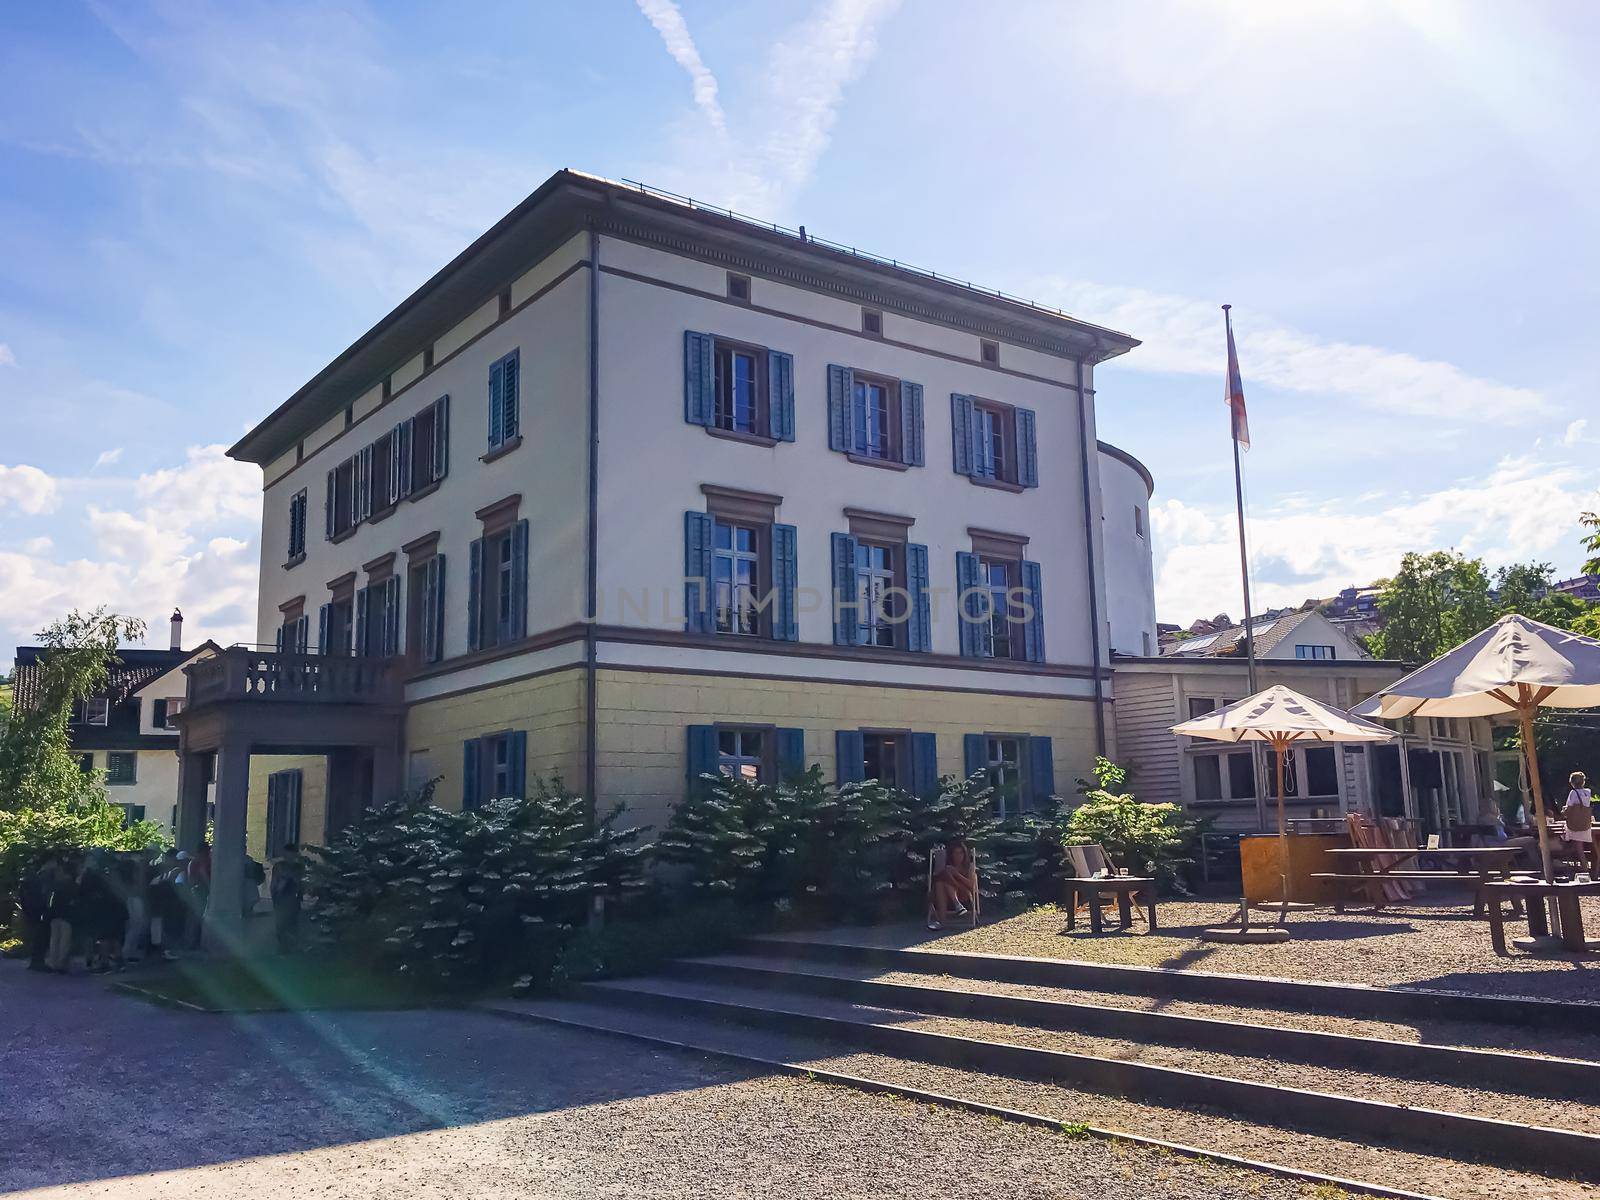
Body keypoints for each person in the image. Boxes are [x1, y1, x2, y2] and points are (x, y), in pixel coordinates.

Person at [18, 856, 61, 972]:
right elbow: (45, 895)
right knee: (41, 936)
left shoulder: (33, 876)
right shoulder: (43, 878)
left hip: (34, 911)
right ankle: (38, 961)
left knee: (38, 936)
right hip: (40, 911)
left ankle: (37, 961)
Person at [927, 837, 978, 930]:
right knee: (940, 884)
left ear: (965, 854)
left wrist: (956, 874)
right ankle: (956, 905)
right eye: (956, 853)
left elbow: (972, 886)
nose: (958, 856)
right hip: (946, 897)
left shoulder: (969, 867)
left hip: (964, 894)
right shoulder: (948, 867)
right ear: (951, 855)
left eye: (961, 853)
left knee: (943, 880)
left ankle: (941, 921)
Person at [45, 856, 80, 972]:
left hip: (55, 915)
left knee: (54, 939)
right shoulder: (73, 885)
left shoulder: (56, 884)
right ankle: (61, 963)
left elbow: (52, 900)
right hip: (67, 916)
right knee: (64, 941)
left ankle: (53, 962)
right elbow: (75, 901)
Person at [269, 844, 304, 954]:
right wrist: (274, 896)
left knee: (292, 923)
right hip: (281, 897)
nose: (287, 855)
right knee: (281, 924)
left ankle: (291, 947)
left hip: (292, 898)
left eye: (289, 853)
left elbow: (301, 883)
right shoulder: (279, 866)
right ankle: (283, 948)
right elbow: (274, 883)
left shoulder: (299, 867)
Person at [1564, 771, 1597, 878]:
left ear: (1572, 783)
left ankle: (1584, 866)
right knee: (1580, 844)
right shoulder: (1588, 792)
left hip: (1575, 823)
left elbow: (1569, 807)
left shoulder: (1573, 793)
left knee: (1577, 845)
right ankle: (1585, 865)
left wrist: (1563, 812)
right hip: (1585, 822)